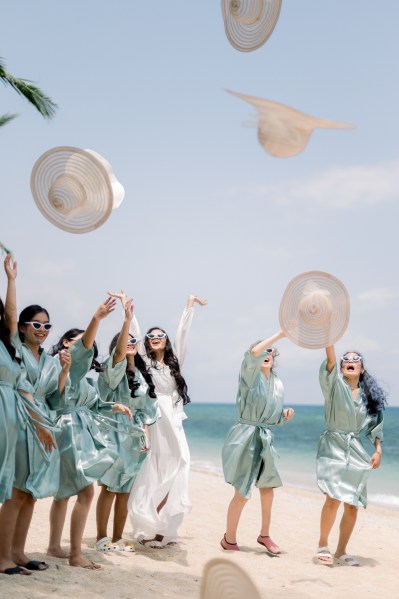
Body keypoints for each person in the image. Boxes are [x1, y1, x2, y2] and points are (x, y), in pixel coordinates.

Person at [46, 297, 132, 569]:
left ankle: (53, 546)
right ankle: (75, 554)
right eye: (74, 341)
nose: (82, 346)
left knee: (63, 493)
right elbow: (57, 401)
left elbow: (94, 403)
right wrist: (95, 319)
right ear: (64, 345)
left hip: (75, 430)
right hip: (70, 432)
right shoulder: (62, 368)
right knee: (85, 494)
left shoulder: (81, 377)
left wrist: (112, 405)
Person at [127, 293, 207, 548]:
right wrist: (128, 313)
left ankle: (165, 528)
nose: (156, 338)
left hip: (174, 419)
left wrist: (188, 306)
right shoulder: (147, 363)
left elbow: (183, 333)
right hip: (156, 416)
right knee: (157, 468)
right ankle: (151, 526)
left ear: (166, 340)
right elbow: (135, 334)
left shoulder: (175, 362)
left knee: (181, 464)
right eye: (152, 337)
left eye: (160, 335)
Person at [0, 255, 56, 576]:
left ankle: (19, 553)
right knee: (17, 492)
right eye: (36, 324)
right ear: (22, 328)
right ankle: (2, 555)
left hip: (41, 426)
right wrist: (11, 279)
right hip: (18, 422)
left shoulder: (48, 360)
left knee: (31, 494)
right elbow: (9, 315)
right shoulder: (14, 348)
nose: (43, 330)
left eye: (47, 326)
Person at [220, 330, 295, 554]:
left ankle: (264, 535)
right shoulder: (249, 374)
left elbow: (271, 416)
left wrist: (283, 416)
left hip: (265, 436)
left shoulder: (277, 383)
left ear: (274, 358)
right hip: (244, 436)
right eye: (263, 349)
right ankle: (229, 539)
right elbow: (253, 352)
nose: (265, 353)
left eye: (270, 351)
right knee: (242, 493)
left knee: (268, 489)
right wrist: (281, 334)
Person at [95, 298, 158, 552]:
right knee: (109, 487)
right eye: (127, 340)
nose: (131, 343)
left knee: (125, 490)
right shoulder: (112, 371)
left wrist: (146, 436)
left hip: (134, 436)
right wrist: (127, 321)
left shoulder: (142, 377)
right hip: (113, 432)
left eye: (135, 341)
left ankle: (117, 538)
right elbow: (120, 353)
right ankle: (101, 538)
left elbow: (147, 410)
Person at [314, 347, 386, 567]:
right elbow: (330, 361)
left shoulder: (369, 397)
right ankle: (322, 545)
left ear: (362, 368)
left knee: (352, 503)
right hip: (333, 445)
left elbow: (376, 426)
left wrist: (378, 450)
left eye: (355, 360)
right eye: (346, 360)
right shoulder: (334, 386)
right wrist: (330, 337)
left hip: (355, 449)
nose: (350, 361)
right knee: (333, 498)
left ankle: (341, 550)